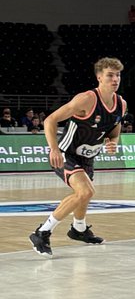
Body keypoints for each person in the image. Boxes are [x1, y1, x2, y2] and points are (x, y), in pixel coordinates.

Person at [29, 57, 126, 257]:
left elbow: (115, 129)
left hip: (87, 157)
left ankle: (79, 229)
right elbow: (50, 120)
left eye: (117, 75)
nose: (115, 79)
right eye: (110, 75)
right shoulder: (86, 99)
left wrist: (113, 142)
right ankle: (42, 232)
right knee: (85, 191)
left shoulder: (121, 104)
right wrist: (54, 149)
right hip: (66, 153)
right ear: (99, 77)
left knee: (84, 195)